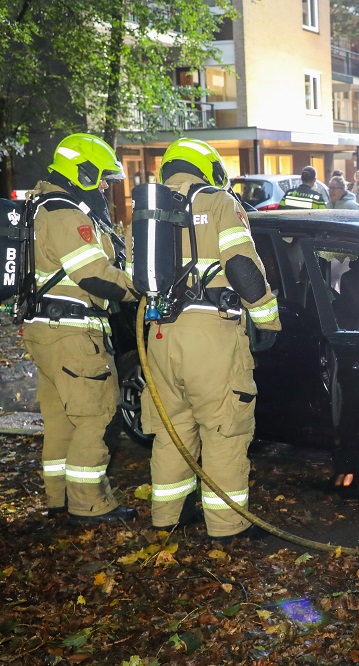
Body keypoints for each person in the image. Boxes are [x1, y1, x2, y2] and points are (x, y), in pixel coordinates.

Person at [141, 137, 281, 543]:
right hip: (211, 336)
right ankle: (228, 526)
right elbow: (242, 266)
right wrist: (268, 320)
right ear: (210, 169)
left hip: (160, 335)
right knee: (224, 430)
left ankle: (167, 517)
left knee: (172, 429)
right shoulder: (218, 201)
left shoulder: (148, 210)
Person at [22, 133, 138, 526]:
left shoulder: (39, 206)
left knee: (59, 421)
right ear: (83, 171)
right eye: (102, 177)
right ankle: (90, 506)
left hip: (44, 330)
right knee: (94, 418)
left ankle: (58, 500)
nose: (105, 186)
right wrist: (139, 287)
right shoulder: (67, 213)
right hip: (74, 334)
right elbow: (93, 275)